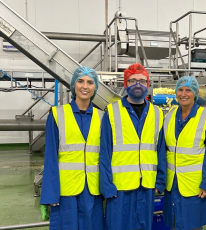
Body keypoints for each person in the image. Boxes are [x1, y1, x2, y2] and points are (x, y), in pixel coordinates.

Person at [99, 63, 166, 230]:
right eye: (133, 81)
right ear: (125, 84)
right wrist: (107, 186)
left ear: (148, 84)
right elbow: (104, 152)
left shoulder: (157, 113)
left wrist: (160, 181)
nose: (138, 84)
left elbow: (161, 150)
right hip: (119, 188)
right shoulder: (112, 112)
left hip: (147, 186)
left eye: (142, 81)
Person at [40, 66, 104, 230]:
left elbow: (106, 157)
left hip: (93, 191)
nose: (85, 86)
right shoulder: (56, 114)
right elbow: (50, 159)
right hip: (65, 192)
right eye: (80, 81)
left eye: (90, 82)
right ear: (73, 85)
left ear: (95, 87)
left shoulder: (102, 117)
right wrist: (49, 194)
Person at [163, 76, 206, 230]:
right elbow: (164, 150)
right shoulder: (168, 117)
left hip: (194, 185)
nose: (184, 94)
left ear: (195, 93)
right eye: (180, 90)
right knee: (173, 223)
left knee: (192, 224)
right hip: (172, 183)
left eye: (188, 90)